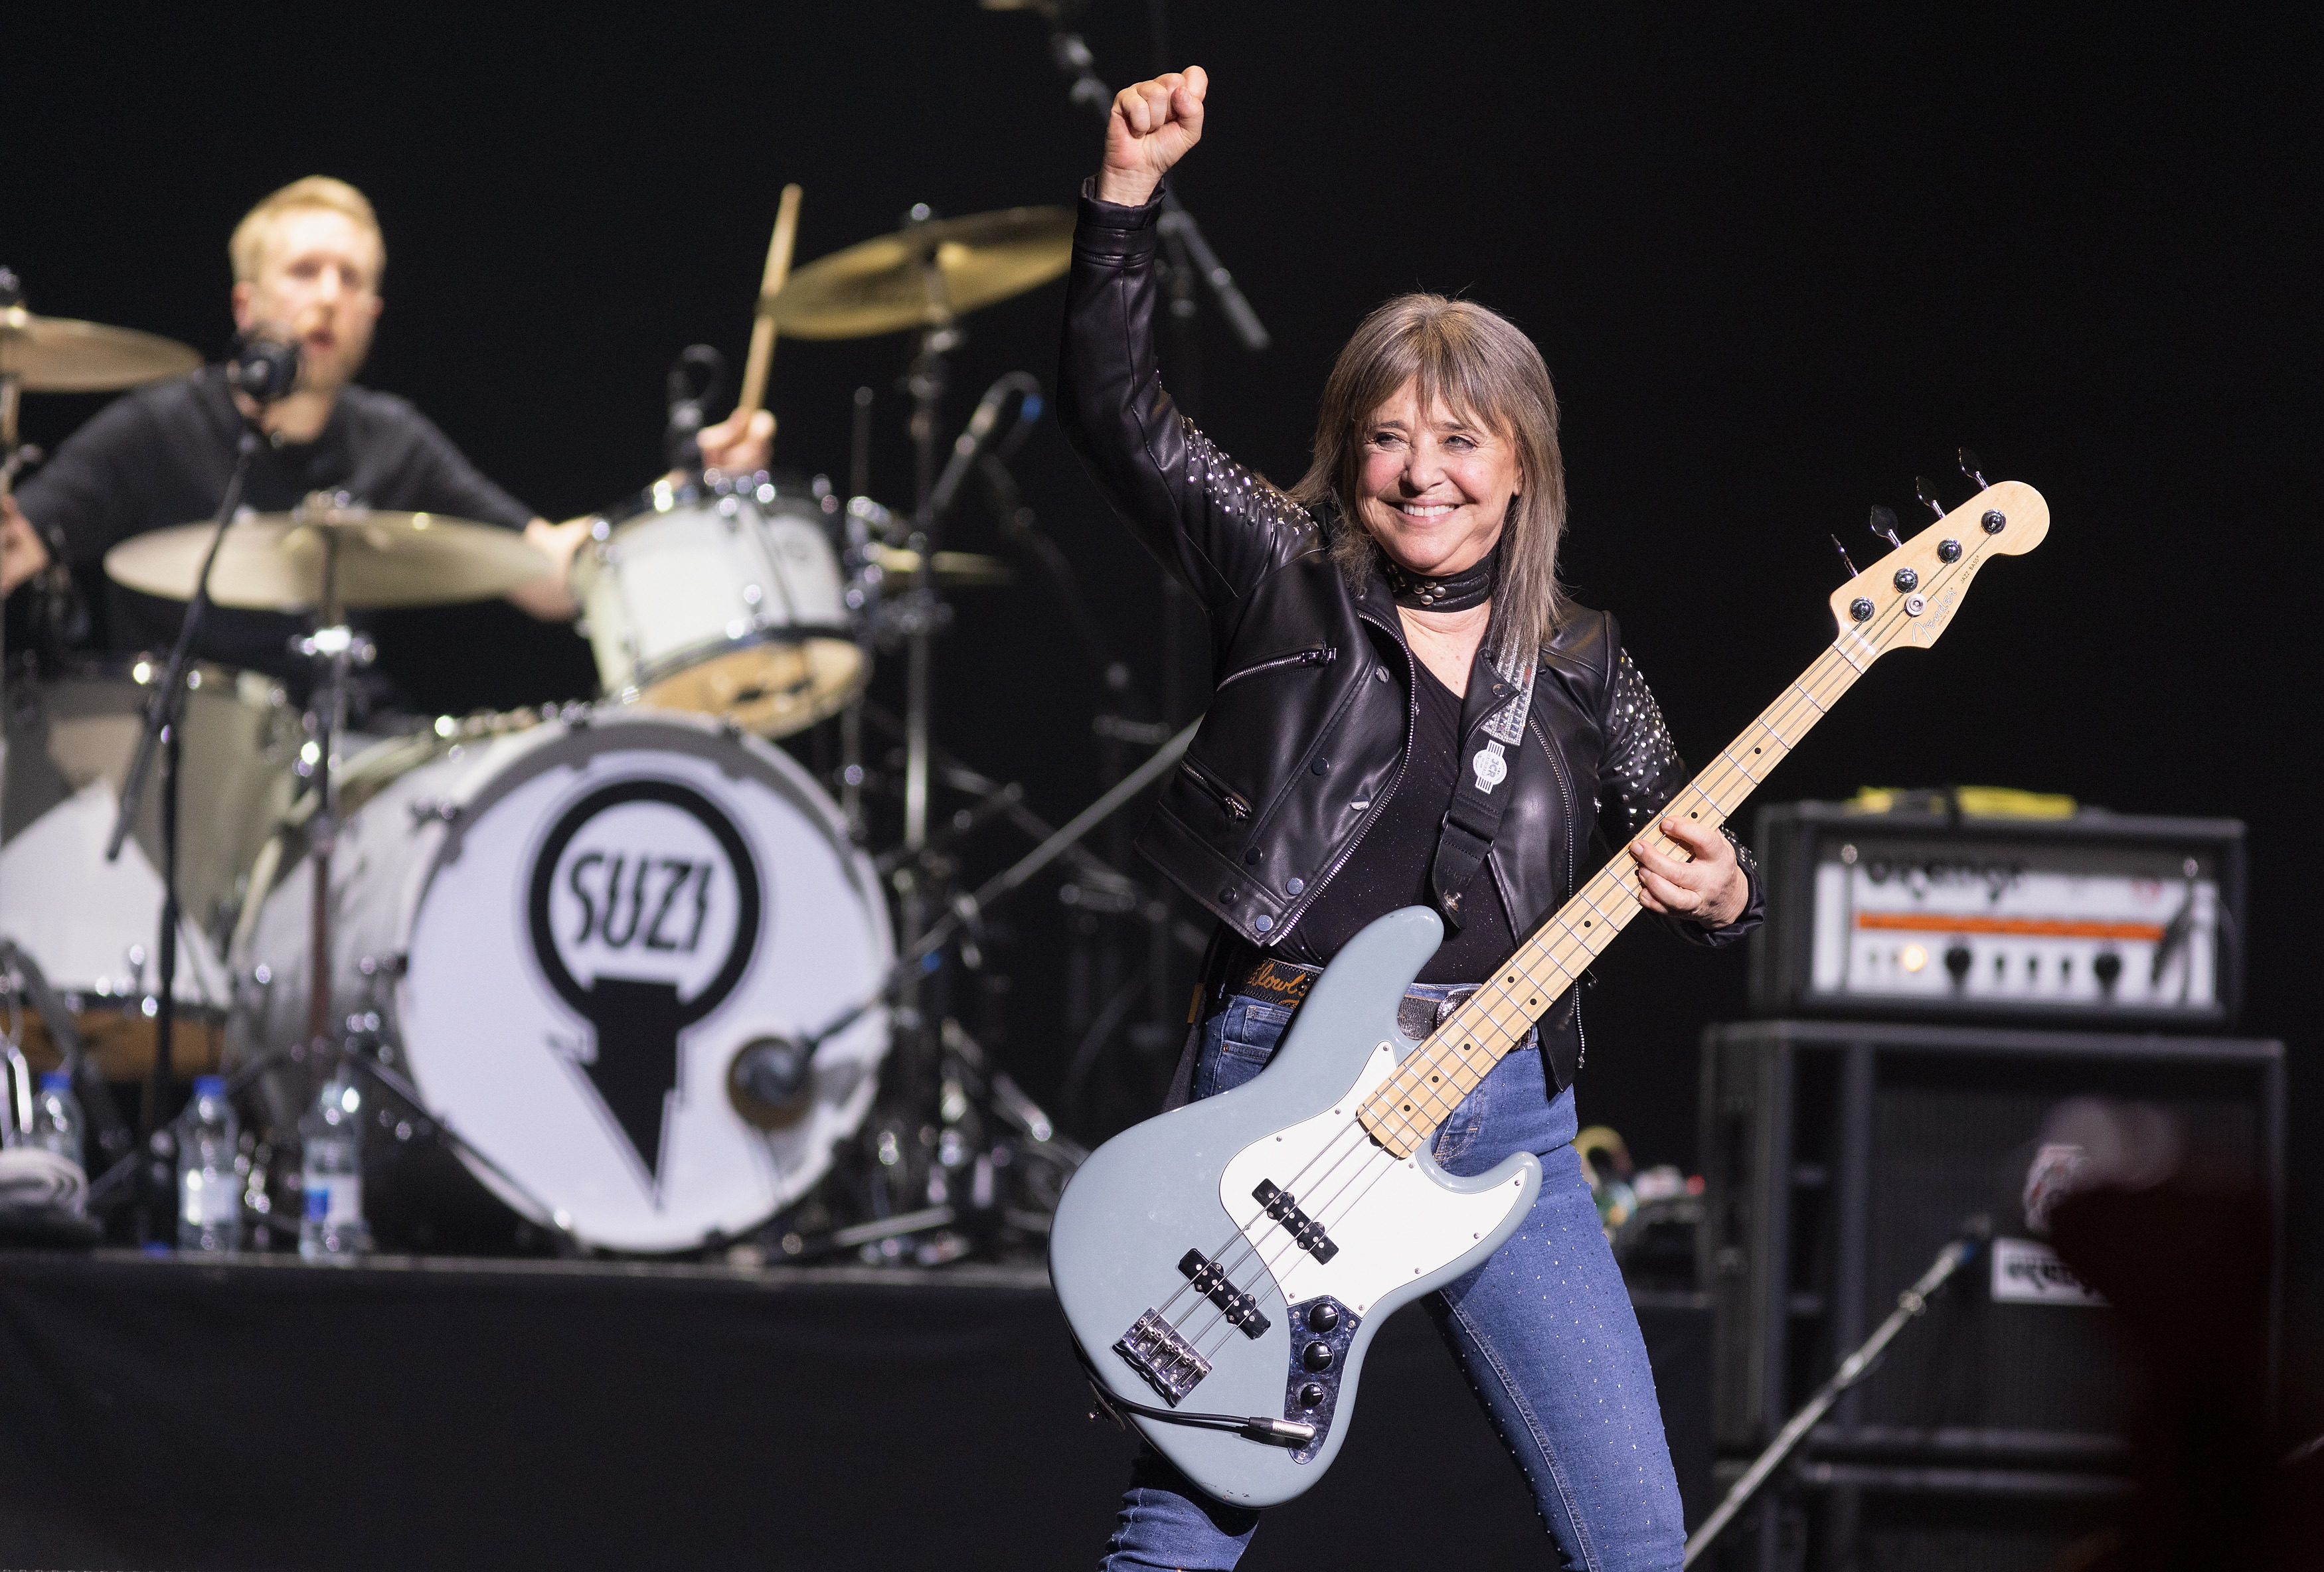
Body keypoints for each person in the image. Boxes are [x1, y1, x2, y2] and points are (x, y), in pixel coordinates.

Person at [1058, 68, 1762, 1571]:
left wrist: (1721, 896)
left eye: (1462, 443)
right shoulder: (1281, 572)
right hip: (1286, 1083)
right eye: (1390, 438)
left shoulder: (1581, 660)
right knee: (1190, 1513)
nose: (1423, 474)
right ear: (1350, 452)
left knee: (1637, 1539)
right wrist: (1126, 201)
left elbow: (1685, 836)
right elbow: (1116, 411)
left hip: (1509, 1111)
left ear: (1522, 466)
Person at [0, 175, 770, 688]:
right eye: (305, 272)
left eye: (353, 279)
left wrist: (684, 498)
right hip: (171, 772)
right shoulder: (158, 428)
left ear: (373, 312)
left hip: (342, 760)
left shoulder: (391, 439)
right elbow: (15, 548)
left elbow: (546, 573)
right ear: (246, 305)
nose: (328, 297)